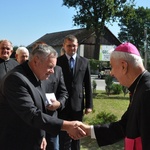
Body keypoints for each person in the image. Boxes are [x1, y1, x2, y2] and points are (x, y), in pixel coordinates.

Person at [0, 44, 86, 150]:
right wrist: (67, 125)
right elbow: (32, 114)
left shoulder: (36, 76)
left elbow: (40, 109)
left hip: (33, 140)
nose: (52, 71)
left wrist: (41, 135)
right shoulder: (15, 79)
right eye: (50, 66)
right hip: (16, 142)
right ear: (36, 61)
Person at [79, 42, 150, 150]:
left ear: (123, 66)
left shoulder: (147, 91)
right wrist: (89, 130)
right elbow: (124, 126)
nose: (111, 73)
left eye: (112, 66)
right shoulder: (139, 87)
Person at [57, 35, 93, 150]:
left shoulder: (84, 62)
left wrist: (89, 105)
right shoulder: (58, 61)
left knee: (77, 133)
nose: (72, 48)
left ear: (77, 46)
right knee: (63, 135)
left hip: (77, 105)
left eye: (74, 46)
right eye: (69, 46)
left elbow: (88, 84)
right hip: (62, 104)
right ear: (64, 46)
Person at [42, 65, 69, 150]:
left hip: (52, 119)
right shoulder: (32, 69)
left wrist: (59, 103)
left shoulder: (57, 70)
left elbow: (64, 93)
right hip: (35, 120)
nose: (51, 70)